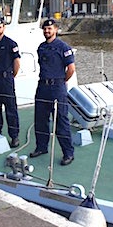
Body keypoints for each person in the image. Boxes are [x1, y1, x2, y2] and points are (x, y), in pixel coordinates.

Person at [30, 18, 76, 166]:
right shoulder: (41, 47)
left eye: (50, 29)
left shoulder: (63, 47)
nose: (47, 31)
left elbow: (71, 69)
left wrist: (62, 81)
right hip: (43, 86)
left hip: (57, 87)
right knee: (40, 119)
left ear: (55, 30)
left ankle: (68, 153)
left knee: (61, 121)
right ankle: (41, 147)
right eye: (45, 29)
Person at [0, 18, 20, 147]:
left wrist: (11, 76)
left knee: (10, 109)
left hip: (6, 80)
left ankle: (14, 136)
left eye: (0, 27)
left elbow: (16, 62)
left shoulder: (11, 44)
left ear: (4, 28)